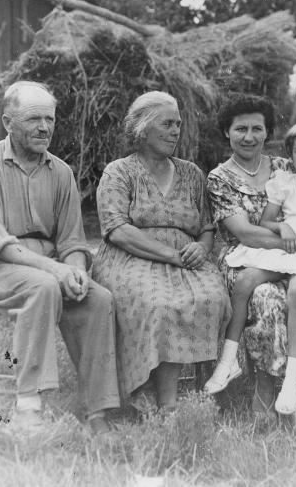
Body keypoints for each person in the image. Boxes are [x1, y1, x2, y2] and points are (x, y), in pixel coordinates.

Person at [0, 81, 120, 434]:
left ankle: (97, 410)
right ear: (8, 123)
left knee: (99, 299)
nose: (44, 128)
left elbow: (73, 241)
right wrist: (57, 270)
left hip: (50, 267)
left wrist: (76, 272)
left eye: (49, 119)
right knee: (45, 286)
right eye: (33, 119)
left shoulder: (61, 172)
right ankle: (28, 404)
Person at [206, 94, 296, 431]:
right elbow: (245, 234)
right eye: (240, 129)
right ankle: (264, 391)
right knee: (266, 298)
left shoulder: (284, 167)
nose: (249, 136)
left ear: (267, 133)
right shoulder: (219, 179)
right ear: (227, 132)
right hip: (246, 261)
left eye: (257, 129)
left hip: (295, 260)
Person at [92, 91, 231, 411]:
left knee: (210, 296)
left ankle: (180, 392)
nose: (175, 131)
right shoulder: (119, 171)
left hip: (187, 258)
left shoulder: (191, 173)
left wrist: (200, 247)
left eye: (178, 124)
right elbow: (117, 230)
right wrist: (170, 256)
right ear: (142, 128)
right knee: (157, 303)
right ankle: (150, 393)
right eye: (167, 124)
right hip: (130, 257)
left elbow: (207, 227)